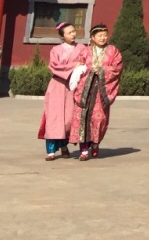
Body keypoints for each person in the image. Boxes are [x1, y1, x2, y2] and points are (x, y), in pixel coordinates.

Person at [70, 23, 123, 160]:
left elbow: (117, 68)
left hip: (102, 89)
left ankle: (95, 143)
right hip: (85, 90)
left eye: (105, 35)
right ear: (93, 37)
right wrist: (85, 69)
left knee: (98, 119)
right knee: (83, 117)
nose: (103, 38)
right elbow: (78, 67)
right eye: (99, 35)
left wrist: (101, 70)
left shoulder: (113, 51)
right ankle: (83, 150)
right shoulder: (85, 51)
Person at [39, 21, 81, 160]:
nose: (73, 34)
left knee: (68, 119)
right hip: (58, 85)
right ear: (62, 36)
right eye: (69, 32)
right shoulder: (56, 50)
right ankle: (50, 151)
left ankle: (64, 146)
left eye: (74, 31)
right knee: (54, 118)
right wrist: (74, 65)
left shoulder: (81, 48)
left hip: (73, 86)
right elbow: (54, 66)